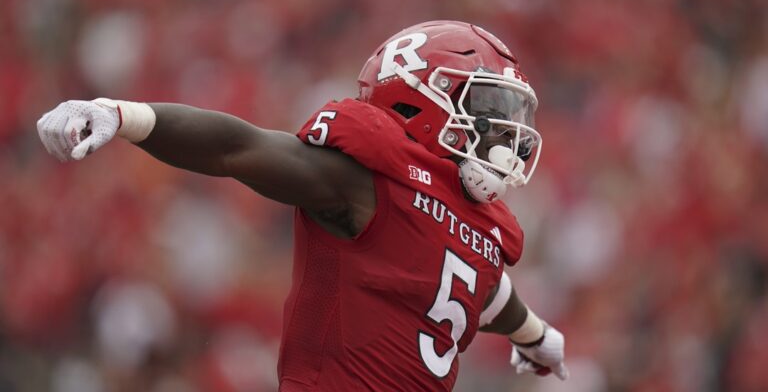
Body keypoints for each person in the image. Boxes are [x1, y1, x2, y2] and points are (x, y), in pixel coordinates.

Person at [37, 20, 568, 391]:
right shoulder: (365, 181)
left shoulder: (477, 230)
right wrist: (125, 114)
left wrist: (535, 334)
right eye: (486, 110)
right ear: (420, 97)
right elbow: (237, 148)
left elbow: (482, 287)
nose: (508, 136)